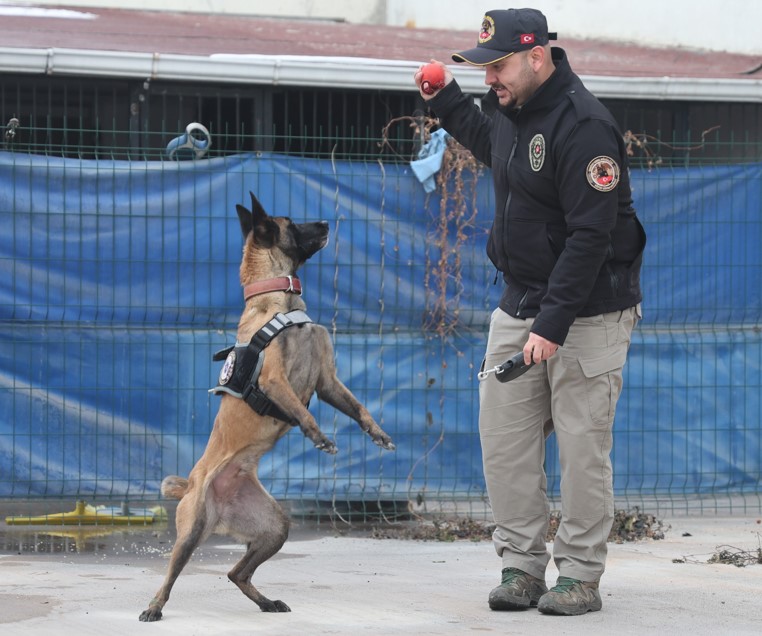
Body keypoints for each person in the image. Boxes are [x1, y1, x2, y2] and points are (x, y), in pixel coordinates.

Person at [414, 8, 646, 616]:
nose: (491, 76)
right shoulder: (510, 113)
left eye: (498, 65)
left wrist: (551, 326)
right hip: (519, 301)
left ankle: (580, 577)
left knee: (580, 448)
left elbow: (590, 238)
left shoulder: (586, 127)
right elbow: (492, 143)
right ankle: (520, 568)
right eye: (484, 67)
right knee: (505, 442)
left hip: (589, 313)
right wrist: (446, 100)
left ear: (536, 55)